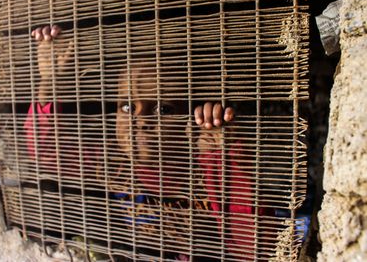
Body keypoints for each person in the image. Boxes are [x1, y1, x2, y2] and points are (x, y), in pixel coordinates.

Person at [25, 25, 271, 260]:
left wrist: (224, 153)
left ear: (190, 117)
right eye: (127, 106)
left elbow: (252, 246)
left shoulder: (206, 170)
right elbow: (46, 149)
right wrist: (50, 82)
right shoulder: (113, 165)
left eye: (163, 108)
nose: (140, 121)